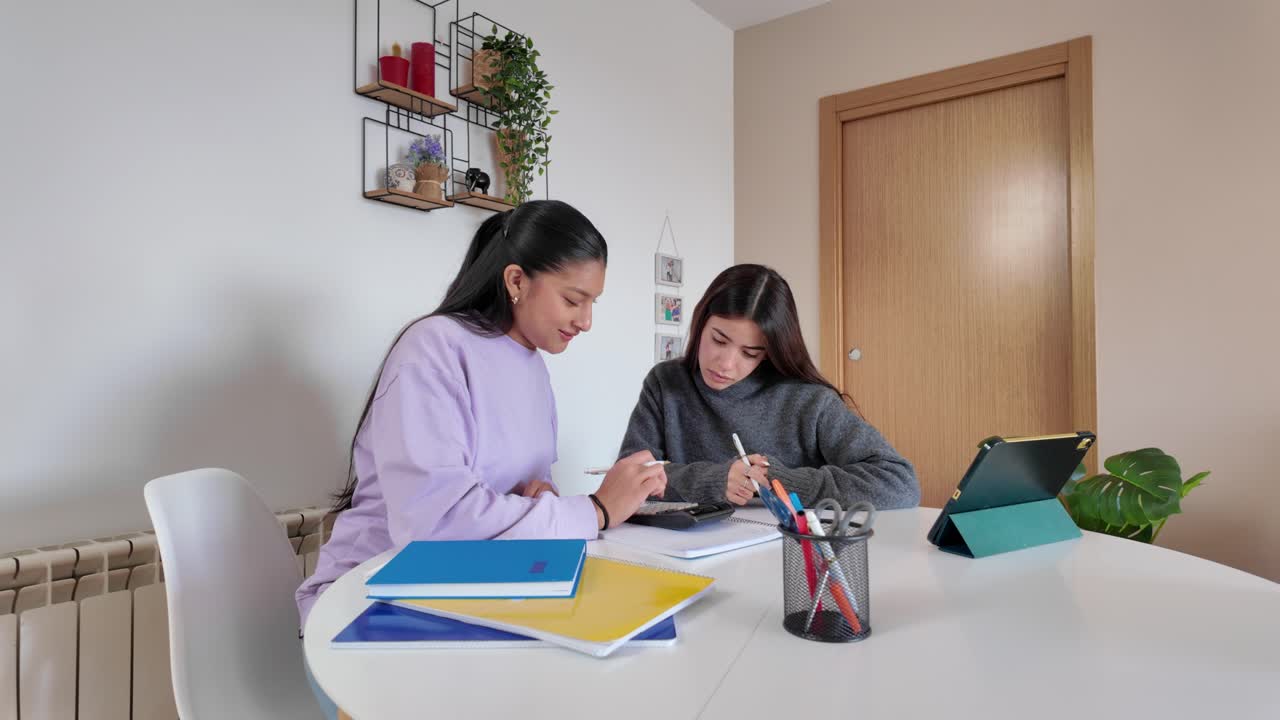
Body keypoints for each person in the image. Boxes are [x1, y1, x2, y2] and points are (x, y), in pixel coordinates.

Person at [298, 200, 668, 622]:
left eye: (592, 304)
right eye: (573, 300)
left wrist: (544, 499)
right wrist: (597, 510)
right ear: (516, 281)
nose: (585, 321)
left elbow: (524, 493)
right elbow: (436, 527)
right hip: (375, 588)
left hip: (476, 583)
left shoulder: (534, 368)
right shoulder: (433, 347)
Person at [619, 264, 918, 509]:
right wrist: (714, 480)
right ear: (701, 323)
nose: (725, 363)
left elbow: (899, 483)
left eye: (750, 353)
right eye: (718, 340)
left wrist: (780, 481)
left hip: (785, 558)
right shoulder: (666, 383)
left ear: (770, 352)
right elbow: (627, 479)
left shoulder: (808, 401)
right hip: (680, 555)